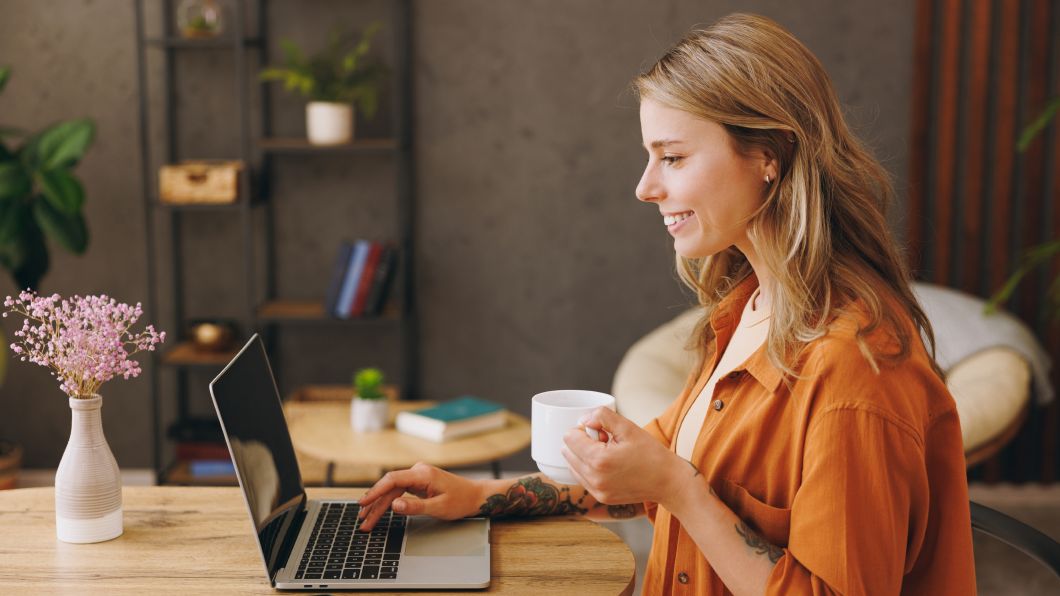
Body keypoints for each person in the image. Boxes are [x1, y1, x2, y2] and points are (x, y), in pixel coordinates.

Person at [357, 13, 976, 595]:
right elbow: (648, 468)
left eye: (673, 157)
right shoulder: (750, 309)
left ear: (770, 156)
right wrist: (476, 496)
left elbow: (675, 481)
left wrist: (679, 490)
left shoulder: (854, 370)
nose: (646, 187)